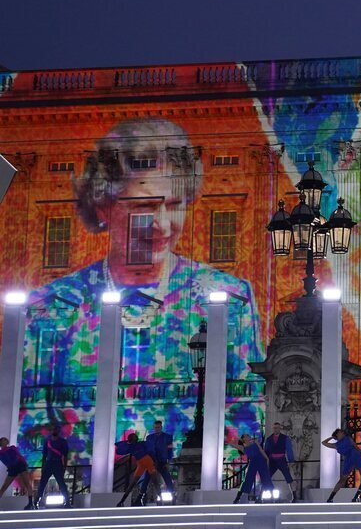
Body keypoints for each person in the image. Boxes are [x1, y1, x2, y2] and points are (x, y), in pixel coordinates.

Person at [23, 118, 265, 464]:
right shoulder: (52, 305)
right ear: (103, 205)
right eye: (145, 207)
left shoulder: (231, 297)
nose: (162, 225)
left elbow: (247, 410)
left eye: (174, 204)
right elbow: (30, 416)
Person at [115, 432, 166, 507]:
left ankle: (122, 501)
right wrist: (155, 460)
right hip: (145, 462)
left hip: (145, 462)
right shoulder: (140, 444)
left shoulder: (132, 446)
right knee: (154, 481)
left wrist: (127, 442)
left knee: (149, 481)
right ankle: (161, 501)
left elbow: (118, 446)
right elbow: (151, 451)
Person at [322, 429, 361, 503]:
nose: (342, 433)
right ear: (337, 435)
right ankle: (330, 498)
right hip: (348, 460)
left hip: (356, 456)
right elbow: (323, 443)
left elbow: (356, 446)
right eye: (340, 433)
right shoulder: (336, 445)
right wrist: (332, 437)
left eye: (342, 432)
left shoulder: (348, 438)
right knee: (342, 479)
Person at [139, 421, 175, 503]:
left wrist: (168, 461)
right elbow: (147, 450)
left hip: (162, 461)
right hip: (151, 462)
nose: (157, 429)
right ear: (154, 428)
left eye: (158, 427)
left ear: (161, 427)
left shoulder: (167, 437)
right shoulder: (149, 438)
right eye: (155, 427)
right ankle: (141, 495)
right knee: (146, 479)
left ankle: (172, 495)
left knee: (167, 478)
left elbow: (169, 450)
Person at [232, 434, 274, 504]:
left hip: (261, 461)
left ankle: (271, 497)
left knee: (266, 478)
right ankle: (239, 497)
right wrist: (238, 438)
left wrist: (267, 458)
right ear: (244, 439)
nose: (249, 436)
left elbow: (261, 450)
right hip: (253, 463)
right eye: (246, 436)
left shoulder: (255, 442)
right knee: (248, 479)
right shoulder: (243, 447)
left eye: (248, 435)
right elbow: (232, 444)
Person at [37, 424, 71, 508]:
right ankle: (36, 501)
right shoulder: (47, 441)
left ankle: (67, 502)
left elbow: (65, 455)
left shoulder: (63, 441)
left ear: (58, 431)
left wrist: (64, 467)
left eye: (56, 429)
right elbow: (44, 455)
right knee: (42, 483)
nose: (54, 431)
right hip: (48, 463)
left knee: (61, 483)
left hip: (57, 463)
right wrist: (43, 466)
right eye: (53, 429)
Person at [264, 422, 298, 502]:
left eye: (277, 428)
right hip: (272, 460)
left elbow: (289, 450)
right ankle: (263, 495)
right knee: (266, 478)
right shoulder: (269, 439)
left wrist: (291, 460)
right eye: (275, 428)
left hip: (281, 460)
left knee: (289, 478)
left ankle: (294, 496)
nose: (276, 429)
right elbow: (266, 451)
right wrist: (265, 461)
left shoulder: (285, 438)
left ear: (280, 428)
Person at [0, 437, 34, 509]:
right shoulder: (1, 453)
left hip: (20, 465)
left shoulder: (12, 448)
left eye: (6, 439)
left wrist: (25, 464)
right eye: (4, 440)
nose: (6, 440)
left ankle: (31, 503)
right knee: (4, 487)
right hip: (12, 468)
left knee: (27, 483)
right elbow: (6, 461)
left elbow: (19, 456)